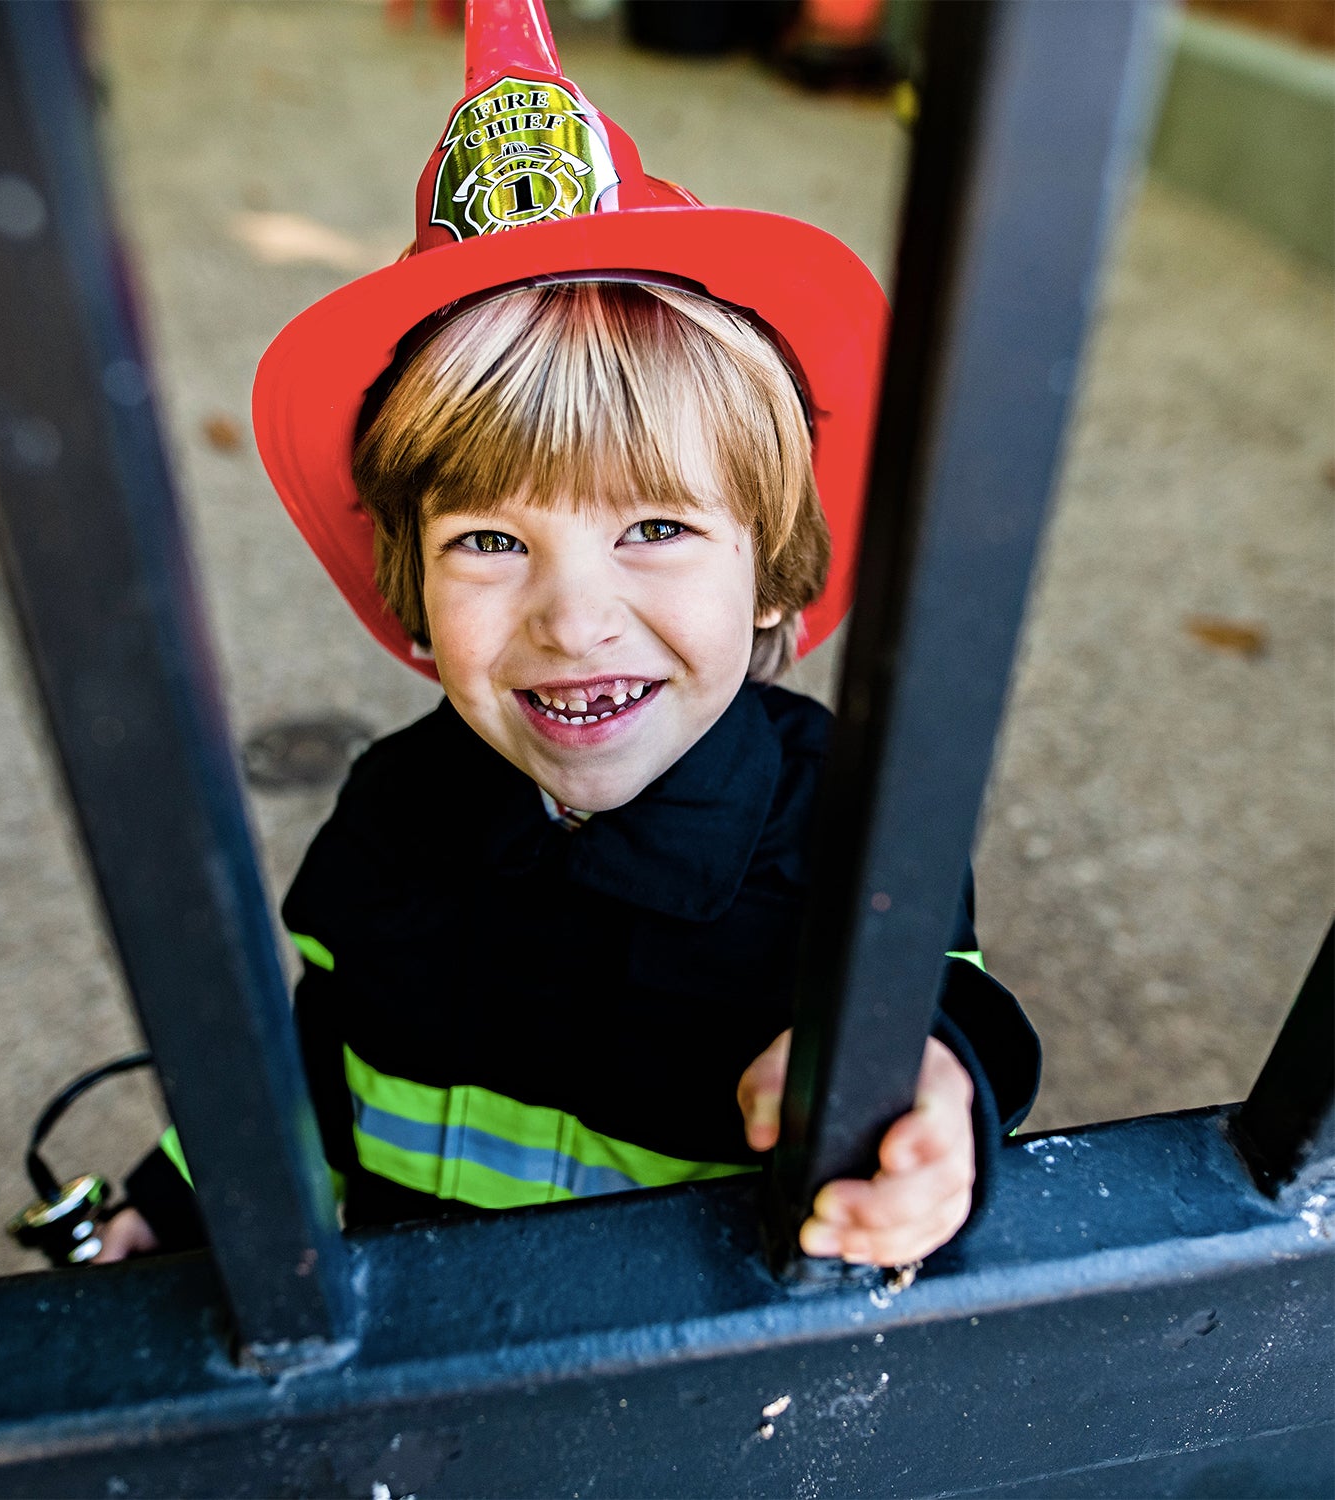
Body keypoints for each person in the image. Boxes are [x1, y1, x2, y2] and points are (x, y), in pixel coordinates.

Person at [98, 0, 1038, 1267]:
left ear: (771, 571)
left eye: (655, 527)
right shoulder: (392, 811)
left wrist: (929, 1098)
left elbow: (954, 1008)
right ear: (413, 586)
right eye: (489, 542)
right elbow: (318, 1051)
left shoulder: (852, 824)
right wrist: (187, 1192)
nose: (576, 619)